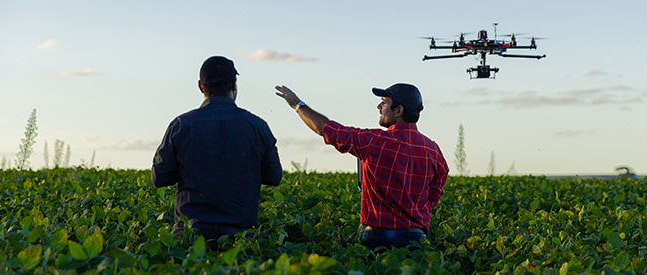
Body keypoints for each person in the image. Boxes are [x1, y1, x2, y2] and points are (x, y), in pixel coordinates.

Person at [274, 83, 448, 250]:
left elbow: (326, 129)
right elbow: (432, 199)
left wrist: (297, 105)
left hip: (379, 239)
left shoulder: (374, 141)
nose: (379, 107)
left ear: (399, 110)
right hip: (418, 241)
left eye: (384, 102)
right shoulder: (433, 150)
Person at [152, 56, 282, 241]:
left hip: (190, 236)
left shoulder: (181, 125)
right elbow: (274, 177)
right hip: (241, 239)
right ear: (234, 84)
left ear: (200, 86)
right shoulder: (257, 126)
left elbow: (159, 178)